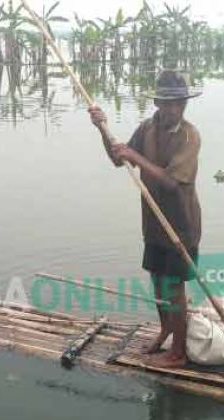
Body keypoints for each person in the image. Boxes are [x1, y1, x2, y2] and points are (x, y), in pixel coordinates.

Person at [88, 70, 202, 368]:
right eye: (167, 103)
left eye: (179, 103)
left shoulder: (189, 136)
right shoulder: (147, 129)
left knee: (174, 287)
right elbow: (118, 159)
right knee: (157, 281)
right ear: (157, 103)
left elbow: (171, 183)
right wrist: (103, 128)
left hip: (180, 224)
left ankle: (178, 352)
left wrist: (134, 157)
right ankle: (166, 330)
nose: (173, 109)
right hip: (152, 220)